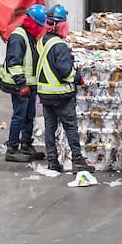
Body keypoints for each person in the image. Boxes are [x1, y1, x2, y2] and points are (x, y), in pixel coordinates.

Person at [36, 12, 93, 174]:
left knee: (50, 127)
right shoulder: (59, 45)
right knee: (70, 127)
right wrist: (77, 77)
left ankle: (52, 161)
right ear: (59, 25)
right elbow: (65, 71)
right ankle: (77, 160)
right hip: (61, 95)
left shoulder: (42, 42)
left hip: (45, 94)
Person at [0, 4, 47, 163]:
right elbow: (14, 64)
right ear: (32, 22)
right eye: (40, 25)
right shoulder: (18, 37)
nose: (41, 29)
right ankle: (12, 148)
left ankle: (26, 145)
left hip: (30, 85)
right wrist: (22, 85)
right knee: (19, 116)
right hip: (19, 85)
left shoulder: (30, 36)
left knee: (29, 116)